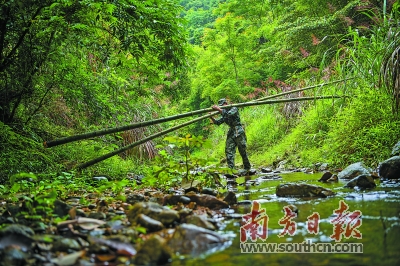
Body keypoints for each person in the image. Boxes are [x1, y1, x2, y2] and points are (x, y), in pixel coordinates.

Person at [210, 98, 251, 172]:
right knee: (228, 150)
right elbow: (218, 122)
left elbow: (229, 114)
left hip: (238, 130)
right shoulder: (224, 112)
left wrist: (218, 109)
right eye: (220, 106)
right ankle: (231, 169)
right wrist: (211, 117)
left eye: (223, 105)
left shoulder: (233, 108)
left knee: (242, 150)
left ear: (226, 103)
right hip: (231, 132)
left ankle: (247, 167)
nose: (222, 106)